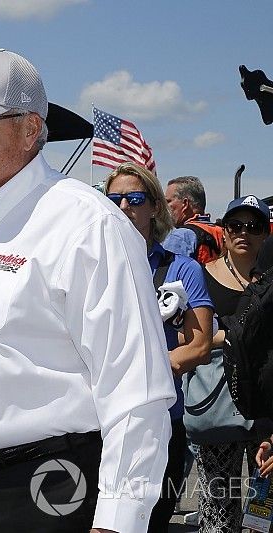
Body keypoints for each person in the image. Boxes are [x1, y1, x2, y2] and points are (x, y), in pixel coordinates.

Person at [0, 49, 176, 533]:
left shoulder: (88, 226)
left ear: (30, 130)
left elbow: (137, 393)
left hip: (40, 495)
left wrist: (118, 522)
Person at [105, 162, 214, 531]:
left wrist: (138, 371)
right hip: (95, 426)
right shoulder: (88, 265)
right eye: (114, 198)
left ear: (155, 207)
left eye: (134, 199)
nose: (123, 207)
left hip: (160, 424)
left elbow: (199, 345)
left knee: (149, 524)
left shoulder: (182, 269)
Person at [197, 195, 271, 532]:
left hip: (265, 409)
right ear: (224, 232)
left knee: (263, 509)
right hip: (218, 402)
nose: (245, 233)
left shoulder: (270, 280)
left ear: (266, 234)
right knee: (218, 510)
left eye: (254, 226)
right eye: (236, 226)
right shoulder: (201, 276)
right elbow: (188, 340)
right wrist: (230, 337)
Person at [162, 176, 223, 263]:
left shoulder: (180, 237)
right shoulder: (223, 233)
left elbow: (166, 274)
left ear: (185, 203)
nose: (165, 207)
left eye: (168, 201)